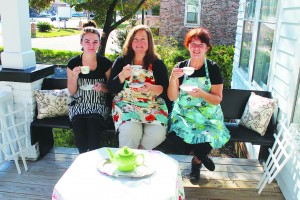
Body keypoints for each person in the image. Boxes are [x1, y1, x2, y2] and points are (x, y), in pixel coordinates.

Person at [167, 27, 230, 180]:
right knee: (177, 142)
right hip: (184, 113)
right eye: (193, 44)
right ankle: (202, 155)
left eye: (200, 44)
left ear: (207, 48)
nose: (196, 48)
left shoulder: (213, 68)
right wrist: (173, 79)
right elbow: (172, 97)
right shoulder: (180, 67)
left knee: (208, 134)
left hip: (208, 114)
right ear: (188, 46)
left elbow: (217, 99)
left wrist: (201, 93)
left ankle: (197, 162)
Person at [108, 24, 169, 150]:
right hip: (126, 104)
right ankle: (126, 160)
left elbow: (165, 90)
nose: (139, 43)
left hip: (153, 105)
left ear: (149, 42)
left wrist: (152, 88)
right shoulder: (121, 61)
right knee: (130, 131)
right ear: (130, 42)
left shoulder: (157, 63)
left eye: (143, 39)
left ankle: (140, 154)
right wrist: (122, 75)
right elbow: (112, 89)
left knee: (157, 133)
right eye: (135, 39)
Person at [67, 27, 113, 153]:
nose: (91, 45)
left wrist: (103, 87)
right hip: (79, 103)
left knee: (93, 124)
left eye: (95, 42)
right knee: (79, 125)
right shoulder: (73, 63)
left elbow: (112, 88)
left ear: (99, 43)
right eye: (87, 41)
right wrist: (75, 76)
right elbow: (71, 91)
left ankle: (94, 158)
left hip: (99, 104)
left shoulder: (105, 63)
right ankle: (83, 157)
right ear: (81, 42)